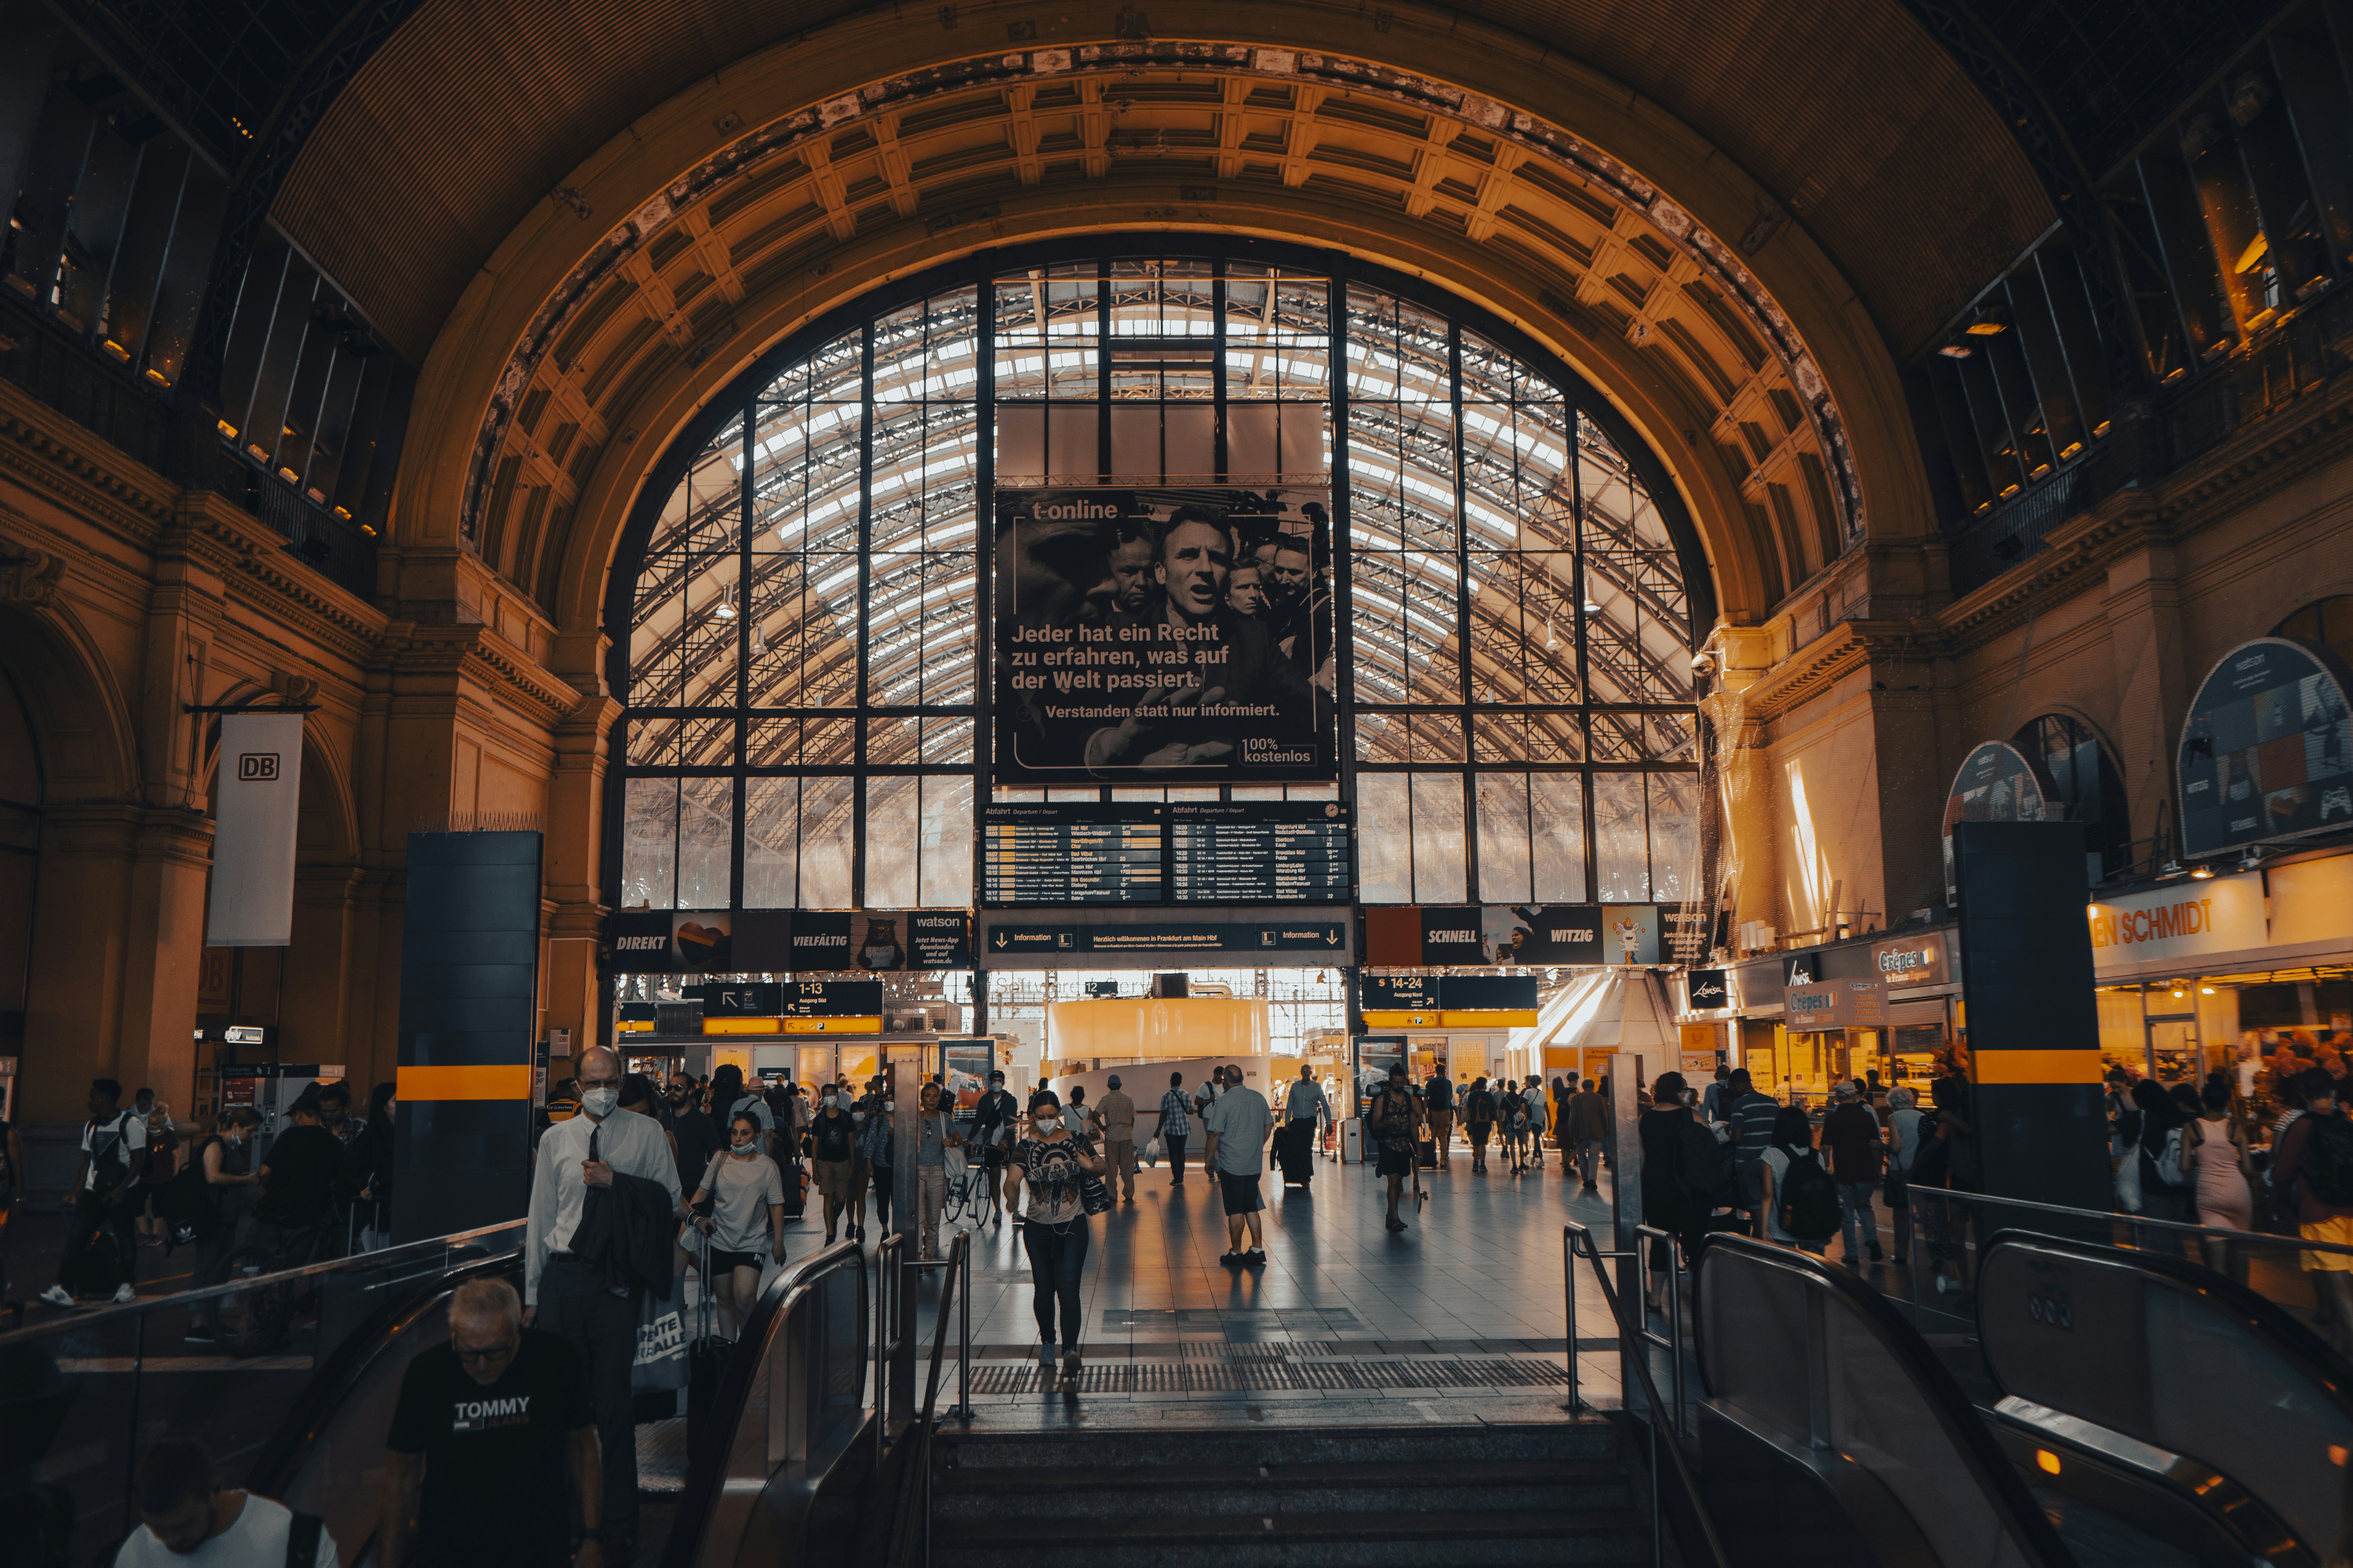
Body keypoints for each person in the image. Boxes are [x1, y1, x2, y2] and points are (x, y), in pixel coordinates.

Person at [521, 1045, 679, 1559]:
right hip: (562, 1279)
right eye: (593, 1082)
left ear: (623, 1079)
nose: (603, 1090)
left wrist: (619, 1183)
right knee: (560, 1406)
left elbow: (669, 1201)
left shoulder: (647, 1134)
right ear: (576, 1086)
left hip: (615, 1283)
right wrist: (531, 1293)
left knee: (613, 1407)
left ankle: (616, 1521)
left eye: (611, 1080)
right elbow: (541, 1217)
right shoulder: (555, 1140)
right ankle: (563, 1516)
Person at [383, 1276, 599, 1568]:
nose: (482, 1366)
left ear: (516, 1332)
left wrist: (592, 1538)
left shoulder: (555, 1361)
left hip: (537, 1550)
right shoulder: (427, 1374)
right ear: (455, 1337)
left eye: (496, 1352)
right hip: (449, 1553)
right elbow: (401, 1477)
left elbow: (583, 1451)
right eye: (469, 1354)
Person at [117, 1437, 340, 1566]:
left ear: (216, 1491)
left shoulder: (299, 1542)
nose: (172, 1538)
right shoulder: (136, 1555)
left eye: (184, 1525)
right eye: (157, 1529)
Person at [1009, 1089, 1106, 1382]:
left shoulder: (1076, 1140)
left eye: (1052, 1117)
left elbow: (1101, 1165)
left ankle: (1071, 1351)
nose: (1048, 1122)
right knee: (1043, 1289)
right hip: (1037, 1229)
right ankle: (1049, 1344)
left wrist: (1089, 1166)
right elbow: (1012, 1179)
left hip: (1073, 1225)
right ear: (1032, 1117)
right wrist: (1011, 1197)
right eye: (1042, 1118)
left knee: (1068, 1290)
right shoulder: (1025, 1147)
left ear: (1059, 1115)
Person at [43, 1077, 146, 1306]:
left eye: (93, 1096)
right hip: (94, 1192)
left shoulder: (131, 1124)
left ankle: (127, 1286)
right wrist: (75, 1192)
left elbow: (139, 1160)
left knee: (126, 1239)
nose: (90, 1101)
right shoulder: (91, 1126)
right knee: (77, 1238)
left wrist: (121, 1190)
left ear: (104, 1099)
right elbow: (87, 1162)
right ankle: (65, 1288)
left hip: (123, 1192)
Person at [687, 1110, 787, 1339]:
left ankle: (751, 1348)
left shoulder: (767, 1167)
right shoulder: (720, 1160)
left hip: (752, 1242)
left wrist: (779, 1242)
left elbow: (776, 1206)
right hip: (720, 1240)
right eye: (734, 1133)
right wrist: (690, 1219)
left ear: (757, 1137)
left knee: (745, 1298)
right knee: (724, 1299)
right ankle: (729, 1350)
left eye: (745, 1134)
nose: (738, 1139)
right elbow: (703, 1192)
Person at [2275, 1068, 2353, 1356]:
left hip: (2320, 1215)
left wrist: (2280, 1206)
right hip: (2350, 1212)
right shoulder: (2347, 1122)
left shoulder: (2301, 1127)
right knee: (2341, 1287)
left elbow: (2282, 1173)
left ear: (2305, 1095)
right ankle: (2336, 1353)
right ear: (2332, 1092)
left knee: (2339, 1287)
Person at [1637, 1072, 1729, 1310]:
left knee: (1661, 1242)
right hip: (1692, 1190)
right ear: (1678, 1091)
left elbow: (1641, 1158)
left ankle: (1656, 1298)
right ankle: (1702, 1295)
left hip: (1657, 1188)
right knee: (1696, 1240)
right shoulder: (1693, 1116)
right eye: (1684, 1089)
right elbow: (1711, 1150)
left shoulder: (1645, 1120)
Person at [183, 1108, 263, 1346]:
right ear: (237, 1125)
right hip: (212, 1220)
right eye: (251, 1130)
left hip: (227, 1219)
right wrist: (245, 1180)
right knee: (206, 1270)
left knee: (221, 1270)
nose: (252, 1135)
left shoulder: (233, 1147)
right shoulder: (216, 1144)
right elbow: (213, 1177)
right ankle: (197, 1325)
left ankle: (210, 1320)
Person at [252, 1093, 344, 1255]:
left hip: (275, 1213)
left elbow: (264, 1171)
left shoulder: (289, 1136)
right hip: (309, 1217)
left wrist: (264, 1186)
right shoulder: (335, 1143)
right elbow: (333, 1182)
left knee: (257, 1261)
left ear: (299, 1115)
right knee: (297, 1267)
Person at [1202, 1063, 1274, 1265]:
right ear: (1243, 1078)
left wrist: (1208, 1161)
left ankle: (1236, 1252)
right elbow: (1269, 1123)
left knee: (1235, 1209)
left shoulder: (1225, 1102)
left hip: (1232, 1164)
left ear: (1225, 1081)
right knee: (1251, 1206)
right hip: (1253, 1164)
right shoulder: (1258, 1098)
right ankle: (1258, 1249)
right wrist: (1259, 1144)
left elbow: (1215, 1133)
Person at [2189, 1076, 2253, 1279]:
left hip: (2209, 1194)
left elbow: (2183, 1166)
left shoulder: (2192, 1128)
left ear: (2203, 1101)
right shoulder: (2236, 1128)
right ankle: (2244, 1301)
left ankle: (2222, 1305)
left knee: (2218, 1260)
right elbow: (2249, 1168)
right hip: (2238, 1191)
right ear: (2226, 1103)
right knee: (2240, 1251)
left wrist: (2202, 1160)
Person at [1820, 1080, 1886, 1269]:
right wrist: (1878, 1170)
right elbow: (1875, 1145)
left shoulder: (1833, 1119)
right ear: (1855, 1095)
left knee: (1847, 1213)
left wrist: (1825, 1168)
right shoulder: (1866, 1117)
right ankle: (1872, 1240)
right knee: (1865, 1207)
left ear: (1838, 1097)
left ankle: (1852, 1254)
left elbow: (1826, 1147)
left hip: (1844, 1170)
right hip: (1865, 1169)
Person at [1759, 1106, 1833, 1256]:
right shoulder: (1816, 1156)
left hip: (1782, 1226)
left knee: (1784, 1274)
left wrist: (1764, 1229)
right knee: (1814, 1273)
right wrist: (1827, 1229)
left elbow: (1767, 1194)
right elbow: (1822, 1196)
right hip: (1813, 1225)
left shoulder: (1770, 1154)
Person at [1718, 1068, 1778, 1233]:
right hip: (1771, 1162)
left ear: (1737, 1085)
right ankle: (1772, 1238)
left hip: (1748, 1162)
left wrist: (1728, 1131)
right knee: (1771, 1202)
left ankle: (1761, 1240)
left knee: (1756, 1205)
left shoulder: (1739, 1104)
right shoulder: (1773, 1103)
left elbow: (1737, 1137)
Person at [1367, 1064, 1424, 1232]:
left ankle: (1390, 1216)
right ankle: (1396, 1218)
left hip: (1404, 1145)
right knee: (1393, 1181)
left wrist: (1419, 1147)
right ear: (1391, 1081)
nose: (1399, 1086)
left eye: (1402, 1083)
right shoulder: (1382, 1100)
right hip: (1388, 1144)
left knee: (1399, 1180)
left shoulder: (1408, 1099)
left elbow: (1413, 1124)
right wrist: (1390, 1123)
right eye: (1396, 1083)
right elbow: (1376, 1124)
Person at [346, 1083, 398, 1250]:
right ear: (384, 1107)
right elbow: (350, 1169)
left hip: (391, 1211)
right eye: (396, 1101)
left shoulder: (401, 1132)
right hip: (376, 1213)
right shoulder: (373, 1135)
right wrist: (364, 1186)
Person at [808, 1083, 858, 1243]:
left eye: (832, 1093)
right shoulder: (820, 1120)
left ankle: (833, 1219)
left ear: (837, 1096)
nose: (830, 1097)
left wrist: (852, 1163)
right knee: (829, 1197)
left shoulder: (845, 1117)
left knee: (842, 1199)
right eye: (827, 1094)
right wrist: (815, 1169)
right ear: (823, 1098)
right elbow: (815, 1145)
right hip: (825, 1163)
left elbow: (851, 1141)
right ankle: (830, 1235)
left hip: (843, 1162)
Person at [914, 1081, 959, 1259]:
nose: (931, 1100)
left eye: (935, 1096)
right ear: (922, 1099)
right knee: (919, 1218)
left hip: (938, 1173)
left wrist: (952, 1142)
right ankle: (917, 1254)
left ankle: (930, 1254)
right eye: (928, 1096)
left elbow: (959, 1139)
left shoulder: (944, 1118)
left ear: (939, 1099)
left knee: (934, 1218)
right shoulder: (916, 1119)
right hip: (919, 1171)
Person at [665, 1072, 722, 1198]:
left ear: (690, 1090)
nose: (673, 1091)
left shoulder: (703, 1122)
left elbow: (717, 1155)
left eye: (678, 1088)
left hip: (691, 1188)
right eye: (670, 1088)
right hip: (666, 1187)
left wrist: (707, 1186)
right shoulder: (664, 1118)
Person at [1884, 1086, 1922, 1266]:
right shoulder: (1923, 1117)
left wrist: (1882, 1147)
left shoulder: (1894, 1118)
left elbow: (1896, 1146)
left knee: (1901, 1216)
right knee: (1925, 1213)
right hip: (1920, 1170)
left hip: (1900, 1171)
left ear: (1892, 1103)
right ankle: (1936, 1256)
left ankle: (1901, 1253)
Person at [974, 1070, 1020, 1219]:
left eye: (1000, 1080)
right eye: (995, 1080)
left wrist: (1007, 1139)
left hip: (1009, 1146)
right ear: (990, 1082)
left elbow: (1013, 1122)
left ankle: (1015, 1211)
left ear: (1004, 1083)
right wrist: (969, 1138)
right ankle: (998, 1211)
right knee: (995, 1179)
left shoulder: (1010, 1100)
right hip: (991, 1145)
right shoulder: (984, 1100)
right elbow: (978, 1121)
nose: (997, 1083)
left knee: (1014, 1178)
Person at [856, 1078, 894, 1240]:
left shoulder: (905, 1119)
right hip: (881, 1165)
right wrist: (869, 1162)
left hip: (899, 1166)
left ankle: (900, 1227)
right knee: (883, 1199)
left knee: (899, 1199)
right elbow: (870, 1142)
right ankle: (885, 1228)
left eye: (892, 1100)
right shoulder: (879, 1120)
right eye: (887, 1100)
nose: (889, 1103)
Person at [1095, 1074, 1138, 1204]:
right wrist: (1130, 1130)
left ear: (1108, 1086)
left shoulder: (1106, 1099)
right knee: (1128, 1166)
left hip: (1112, 1136)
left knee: (1111, 1167)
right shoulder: (1128, 1099)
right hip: (1126, 1136)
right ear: (1120, 1086)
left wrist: (1102, 1126)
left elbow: (1096, 1113)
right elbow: (1133, 1118)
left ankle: (1112, 1194)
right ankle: (1129, 1194)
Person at [1565, 1075, 1609, 1193]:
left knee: (1582, 1157)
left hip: (1580, 1133)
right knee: (1594, 1157)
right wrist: (1605, 1131)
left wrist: (1572, 1132)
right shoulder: (1599, 1098)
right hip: (1596, 1133)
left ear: (1583, 1087)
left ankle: (1585, 1179)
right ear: (1593, 1087)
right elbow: (1604, 1117)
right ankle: (1592, 1179)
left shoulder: (1576, 1099)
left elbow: (1572, 1118)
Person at [1156, 1071, 1193, 1186]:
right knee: (1182, 1152)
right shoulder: (1187, 1094)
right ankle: (1181, 1176)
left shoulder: (1166, 1096)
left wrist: (1158, 1130)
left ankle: (1177, 1178)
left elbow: (1163, 1115)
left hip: (1171, 1129)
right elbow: (1191, 1111)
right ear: (1181, 1082)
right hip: (1184, 1128)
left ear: (1171, 1081)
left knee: (1173, 1154)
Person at [1424, 1065, 1454, 1168]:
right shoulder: (1448, 1083)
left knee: (1433, 1136)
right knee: (1444, 1136)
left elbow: (1426, 1098)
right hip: (1445, 1111)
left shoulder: (1430, 1083)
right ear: (1444, 1072)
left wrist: (1425, 1112)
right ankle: (1442, 1160)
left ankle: (1432, 1157)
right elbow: (1450, 1097)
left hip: (1433, 1112)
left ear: (1436, 1072)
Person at [1465, 1077, 1496, 1174]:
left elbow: (1469, 1110)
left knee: (1476, 1143)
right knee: (1484, 1143)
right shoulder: (1489, 1095)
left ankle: (1475, 1165)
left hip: (1475, 1122)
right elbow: (1494, 1109)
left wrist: (1467, 1121)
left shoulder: (1472, 1095)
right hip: (1487, 1122)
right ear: (1484, 1085)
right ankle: (1482, 1164)